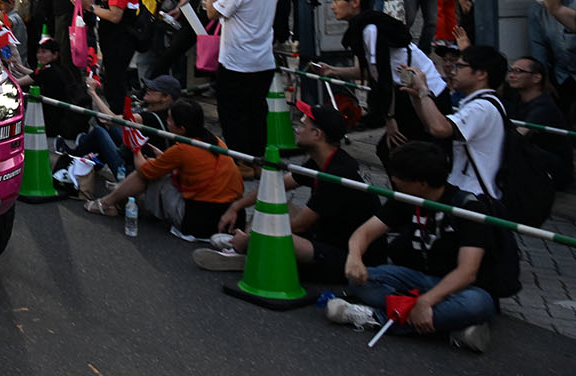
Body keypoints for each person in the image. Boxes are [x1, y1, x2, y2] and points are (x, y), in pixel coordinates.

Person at [330, 142, 503, 353]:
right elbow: (364, 232)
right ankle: (450, 328)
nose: (393, 180)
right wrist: (355, 257)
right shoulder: (407, 198)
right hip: (418, 280)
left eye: (399, 177)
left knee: (477, 304)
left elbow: (467, 273)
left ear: (422, 183)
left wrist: (426, 302)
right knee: (363, 279)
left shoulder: (467, 208)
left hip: (462, 288)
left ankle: (374, 317)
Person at [196, 102, 382, 278]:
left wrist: (252, 238)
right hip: (328, 235)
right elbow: (277, 186)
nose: (296, 129)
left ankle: (249, 250)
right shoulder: (326, 158)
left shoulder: (339, 172)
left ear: (317, 134)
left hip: (350, 255)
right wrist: (236, 206)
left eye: (302, 125)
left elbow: (302, 223)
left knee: (285, 235)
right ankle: (249, 249)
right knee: (276, 205)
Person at [318, 0, 450, 163]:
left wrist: (390, 118)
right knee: (396, 152)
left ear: (355, 2)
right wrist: (333, 71)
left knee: (403, 153)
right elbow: (371, 72)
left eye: (337, 0)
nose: (332, 6)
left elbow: (383, 77)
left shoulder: (370, 29)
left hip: (427, 93)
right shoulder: (366, 25)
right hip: (409, 93)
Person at [84, 98, 244, 240]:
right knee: (155, 164)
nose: (167, 122)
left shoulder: (182, 149)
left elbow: (145, 171)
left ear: (181, 128)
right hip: (232, 214)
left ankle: (106, 204)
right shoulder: (215, 141)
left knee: (145, 173)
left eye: (169, 119)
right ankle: (118, 199)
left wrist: (136, 149)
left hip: (198, 220)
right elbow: (196, 168)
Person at [202, 0, 277, 170]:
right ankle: (256, 160)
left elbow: (212, 14)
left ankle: (240, 162)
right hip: (263, 60)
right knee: (256, 112)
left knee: (232, 114)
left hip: (236, 61)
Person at [403, 44, 508, 201]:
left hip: (475, 196)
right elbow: (431, 126)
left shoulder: (482, 107)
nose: (453, 71)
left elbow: (440, 128)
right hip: (463, 190)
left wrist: (424, 90)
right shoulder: (477, 103)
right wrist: (418, 97)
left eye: (459, 66)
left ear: (481, 74)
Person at [75, 0, 139, 112]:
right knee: (112, 82)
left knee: (115, 85)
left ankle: (118, 124)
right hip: (113, 40)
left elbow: (115, 15)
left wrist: (91, 7)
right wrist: (87, 5)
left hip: (120, 40)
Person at [501, 56, 572, 190]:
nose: (511, 75)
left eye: (518, 71)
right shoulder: (516, 97)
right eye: (510, 71)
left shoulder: (544, 106)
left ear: (536, 78)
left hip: (555, 168)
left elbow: (520, 135)